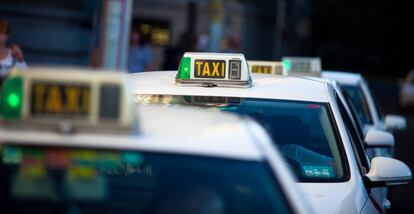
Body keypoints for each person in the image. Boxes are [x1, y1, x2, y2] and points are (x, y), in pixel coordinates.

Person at [0, 18, 27, 86]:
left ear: (7, 35)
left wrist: (21, 60)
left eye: (1, 32)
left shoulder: (15, 55)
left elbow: (25, 77)